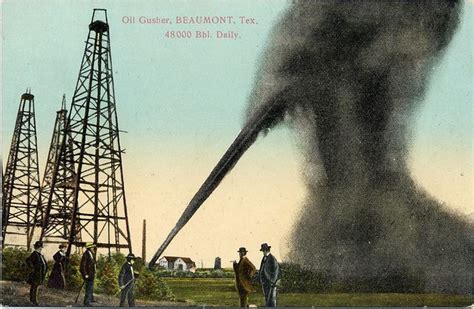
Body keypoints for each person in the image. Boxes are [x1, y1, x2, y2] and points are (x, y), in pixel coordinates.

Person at [26, 240, 48, 306]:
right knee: (34, 287)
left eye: (41, 247)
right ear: (37, 248)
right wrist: (33, 269)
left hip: (39, 274)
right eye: (39, 247)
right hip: (36, 274)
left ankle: (33, 299)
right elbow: (28, 261)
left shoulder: (40, 255)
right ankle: (33, 300)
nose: (40, 248)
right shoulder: (34, 254)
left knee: (35, 287)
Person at [258, 243, 280, 307]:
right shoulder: (264, 258)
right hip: (265, 283)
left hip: (270, 283)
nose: (263, 252)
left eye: (263, 250)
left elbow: (276, 270)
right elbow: (262, 269)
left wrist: (272, 281)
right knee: (267, 298)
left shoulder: (272, 258)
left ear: (266, 250)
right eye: (262, 251)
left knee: (271, 300)